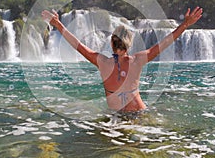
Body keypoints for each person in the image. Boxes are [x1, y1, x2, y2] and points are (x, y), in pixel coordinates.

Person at [42, 7, 203, 113]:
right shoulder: (138, 60)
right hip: (139, 114)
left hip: (117, 119)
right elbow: (165, 43)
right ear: (130, 43)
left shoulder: (102, 62)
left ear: (111, 42)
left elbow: (77, 45)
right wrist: (185, 25)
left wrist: (58, 24)